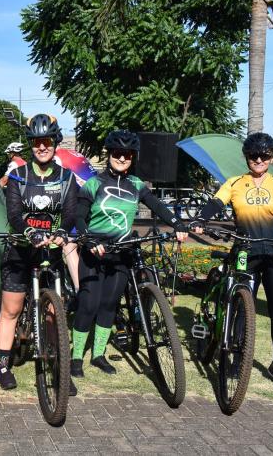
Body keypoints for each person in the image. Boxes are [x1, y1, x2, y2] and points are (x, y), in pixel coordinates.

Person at [191, 132, 273, 390]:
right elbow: (215, 203)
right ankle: (236, 359)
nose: (258, 160)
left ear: (271, 157)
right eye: (253, 156)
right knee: (242, 309)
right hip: (245, 252)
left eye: (264, 155)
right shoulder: (234, 183)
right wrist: (200, 218)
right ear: (246, 158)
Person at [71, 130, 187, 377]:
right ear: (109, 155)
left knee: (108, 304)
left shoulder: (136, 185)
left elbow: (157, 206)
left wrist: (178, 223)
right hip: (95, 250)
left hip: (121, 251)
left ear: (133, 157)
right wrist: (88, 238)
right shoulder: (94, 183)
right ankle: (76, 358)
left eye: (127, 155)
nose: (122, 158)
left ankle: (99, 355)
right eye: (117, 153)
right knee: (88, 305)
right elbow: (79, 216)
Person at [0, 114, 80, 394]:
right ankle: (4, 366)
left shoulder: (67, 178)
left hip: (51, 250)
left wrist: (63, 231)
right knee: (11, 309)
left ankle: (61, 369)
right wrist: (29, 231)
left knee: (55, 311)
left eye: (46, 141)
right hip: (21, 248)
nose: (42, 147)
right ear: (30, 145)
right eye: (36, 142)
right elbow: (14, 214)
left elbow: (70, 213)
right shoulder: (19, 176)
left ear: (55, 143)